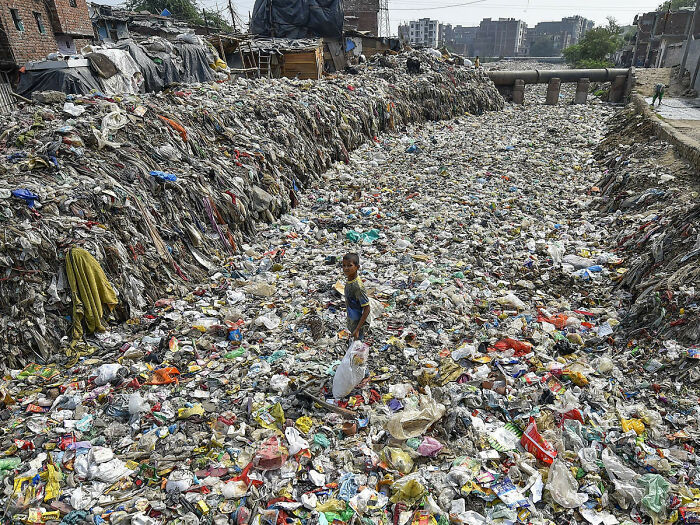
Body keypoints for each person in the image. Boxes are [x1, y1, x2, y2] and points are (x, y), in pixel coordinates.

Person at [342, 253, 370, 341]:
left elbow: (367, 308)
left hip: (358, 326)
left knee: (357, 351)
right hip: (352, 323)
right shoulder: (349, 280)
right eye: (344, 265)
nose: (346, 268)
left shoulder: (357, 286)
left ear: (357, 267)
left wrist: (357, 329)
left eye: (349, 265)